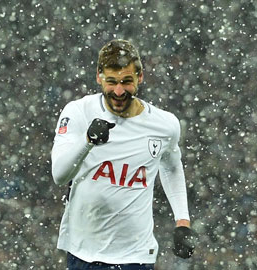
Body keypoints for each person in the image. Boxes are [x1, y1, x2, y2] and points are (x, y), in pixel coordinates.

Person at [51, 39, 195, 270]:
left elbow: (171, 166)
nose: (118, 91)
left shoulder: (164, 125)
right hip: (84, 252)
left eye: (126, 82)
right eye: (111, 82)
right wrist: (87, 141)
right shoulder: (78, 112)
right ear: (99, 77)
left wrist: (182, 221)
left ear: (140, 77)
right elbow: (59, 174)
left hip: (135, 256)